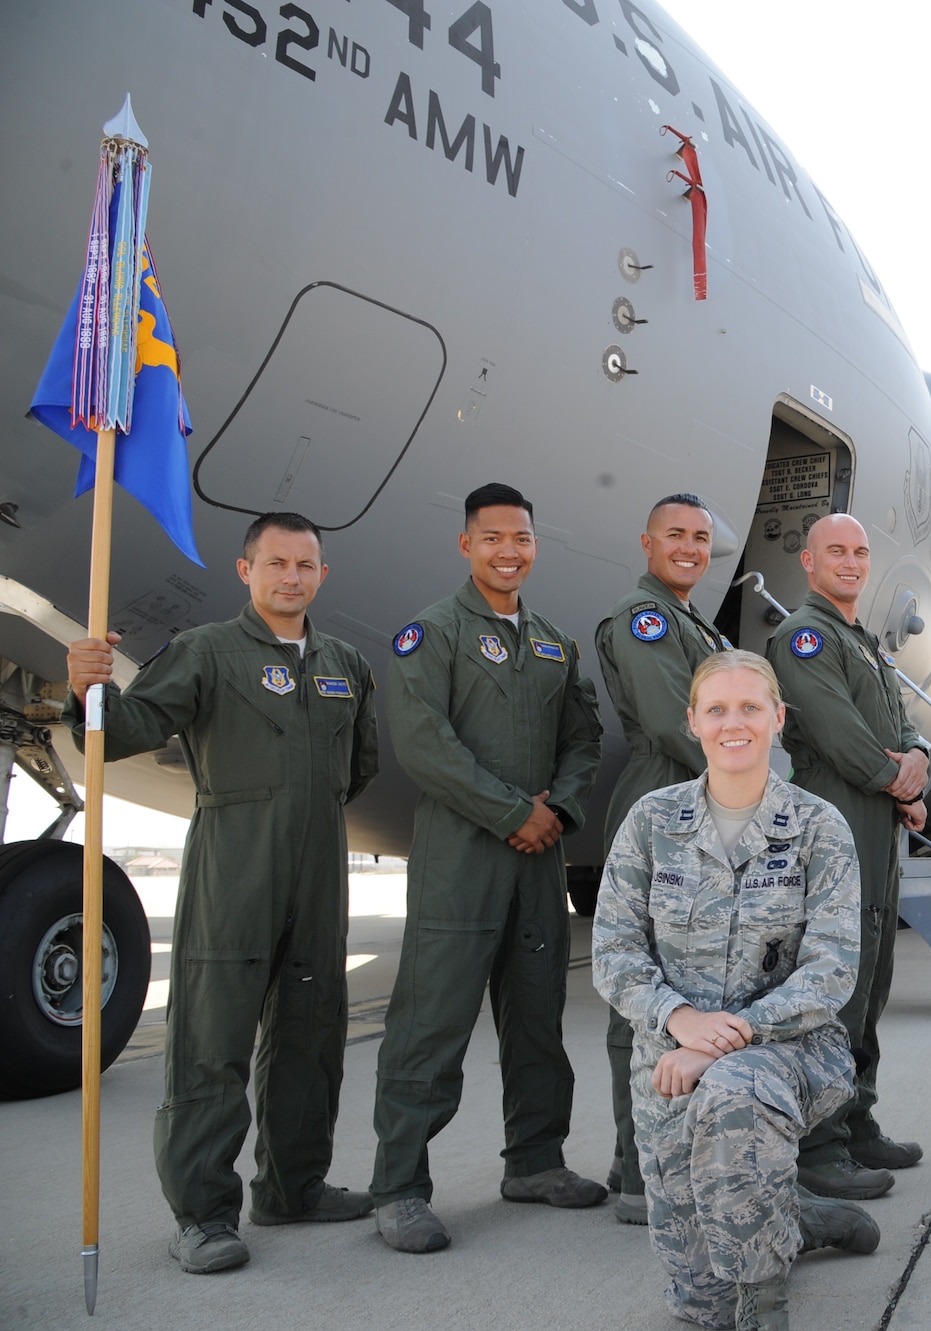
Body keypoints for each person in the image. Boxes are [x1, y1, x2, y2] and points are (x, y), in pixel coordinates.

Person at [63, 512, 378, 1274]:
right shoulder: (208, 651)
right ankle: (202, 1214)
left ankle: (292, 1186)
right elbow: (129, 727)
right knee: (212, 1044)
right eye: (276, 562)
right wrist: (88, 692)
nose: (291, 576)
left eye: (306, 564)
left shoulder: (345, 662)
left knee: (311, 1035)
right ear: (246, 571)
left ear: (322, 574)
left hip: (318, 869)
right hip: (232, 866)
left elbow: (360, 764)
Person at [594, 650, 878, 1331]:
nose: (734, 723)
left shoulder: (817, 827)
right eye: (716, 709)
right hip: (670, 1064)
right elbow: (613, 949)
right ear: (692, 721)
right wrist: (679, 1016)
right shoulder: (652, 821)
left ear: (778, 719)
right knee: (700, 1303)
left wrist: (730, 1037)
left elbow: (832, 968)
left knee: (733, 1092)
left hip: (792, 1052)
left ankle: (766, 1306)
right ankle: (795, 1216)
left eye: (751, 707)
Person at [369, 482, 605, 1253]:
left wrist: (562, 809)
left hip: (538, 862)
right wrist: (515, 813)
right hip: (460, 858)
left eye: (523, 539)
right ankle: (400, 1185)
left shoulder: (553, 643)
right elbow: (425, 743)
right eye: (494, 537)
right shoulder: (431, 634)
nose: (510, 551)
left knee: (537, 1017)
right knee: (430, 1024)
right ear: (466, 545)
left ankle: (535, 1160)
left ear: (536, 546)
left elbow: (582, 737)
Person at [765, 513, 927, 1199]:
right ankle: (820, 1145)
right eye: (837, 550)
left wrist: (919, 760)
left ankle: (858, 1120)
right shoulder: (803, 637)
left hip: (879, 823)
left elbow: (904, 722)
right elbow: (839, 732)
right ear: (809, 560)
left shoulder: (864, 642)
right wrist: (899, 778)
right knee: (835, 989)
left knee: (873, 981)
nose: (852, 562)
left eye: (861, 552)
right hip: (837, 824)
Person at [596, 493, 731, 1224]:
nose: (688, 547)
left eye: (701, 537)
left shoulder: (693, 624)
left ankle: (667, 1155)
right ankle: (636, 1167)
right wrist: (758, 780)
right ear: (646, 541)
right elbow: (670, 720)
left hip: (701, 804)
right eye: (675, 534)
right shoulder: (643, 618)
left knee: (690, 982)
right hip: (663, 800)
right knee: (644, 994)